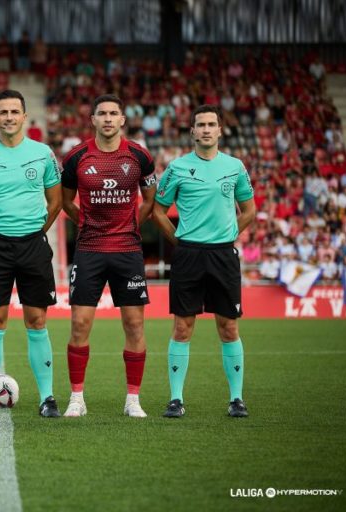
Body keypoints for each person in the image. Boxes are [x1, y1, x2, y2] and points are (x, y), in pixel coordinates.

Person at [0, 89, 62, 418]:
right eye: (2, 112)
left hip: (33, 245)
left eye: (14, 112)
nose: (8, 117)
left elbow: (55, 201)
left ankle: (47, 397)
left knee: (37, 321)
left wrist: (36, 231)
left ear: (23, 117)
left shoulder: (43, 153)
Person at [153, 104, 256, 418]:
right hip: (188, 255)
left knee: (228, 327)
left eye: (212, 124)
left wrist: (227, 235)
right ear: (193, 132)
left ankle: (236, 399)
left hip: (223, 255)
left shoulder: (235, 167)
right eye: (201, 125)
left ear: (221, 130)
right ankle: (175, 399)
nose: (207, 129)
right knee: (183, 327)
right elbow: (158, 210)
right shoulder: (177, 168)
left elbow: (249, 210)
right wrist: (180, 241)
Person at [60, 94, 157, 418]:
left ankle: (133, 399)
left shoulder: (140, 156)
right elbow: (66, 201)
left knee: (133, 324)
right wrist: (85, 222)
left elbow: (149, 199)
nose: (107, 118)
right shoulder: (77, 157)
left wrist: (131, 224)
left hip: (127, 250)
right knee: (79, 323)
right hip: (89, 249)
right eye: (101, 113)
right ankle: (77, 398)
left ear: (122, 120)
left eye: (114, 113)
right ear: (93, 119)